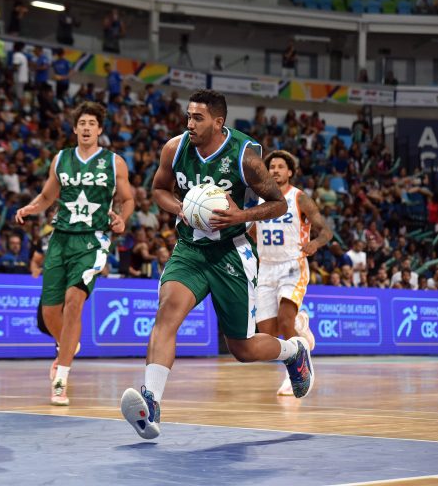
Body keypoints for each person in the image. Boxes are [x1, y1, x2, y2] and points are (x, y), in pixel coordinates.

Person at [120, 89, 313, 441]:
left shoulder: (246, 158)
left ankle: (293, 351)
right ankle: (151, 403)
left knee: (242, 348)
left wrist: (242, 214)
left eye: (198, 118)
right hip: (190, 249)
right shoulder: (174, 148)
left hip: (232, 253)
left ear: (218, 122)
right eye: (188, 116)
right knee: (166, 314)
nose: (189, 123)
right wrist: (183, 208)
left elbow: (277, 205)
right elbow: (159, 190)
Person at [15, 102, 134, 406]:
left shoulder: (113, 162)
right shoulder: (61, 159)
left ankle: (60, 378)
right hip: (60, 238)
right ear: (74, 128)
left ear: (99, 129)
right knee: (49, 312)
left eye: (91, 123)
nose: (86, 127)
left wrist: (122, 218)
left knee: (73, 302)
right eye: (81, 122)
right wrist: (31, 208)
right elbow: (47, 196)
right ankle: (68, 344)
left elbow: (127, 198)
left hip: (93, 240)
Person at [250, 150, 332, 395]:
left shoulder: (299, 198)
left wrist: (315, 244)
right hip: (265, 269)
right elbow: (253, 231)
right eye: (271, 166)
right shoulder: (259, 200)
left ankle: (295, 374)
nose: (275, 170)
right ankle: (300, 323)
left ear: (290, 172)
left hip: (292, 265)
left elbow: (326, 230)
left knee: (284, 321)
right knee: (267, 333)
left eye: (280, 166)